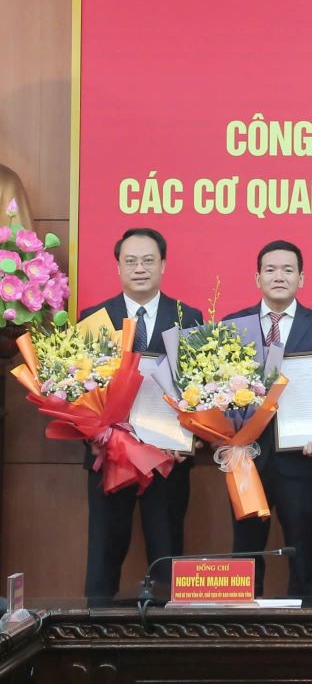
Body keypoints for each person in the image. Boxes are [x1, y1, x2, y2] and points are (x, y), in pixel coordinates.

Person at [78, 227, 203, 597]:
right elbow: (78, 388)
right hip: (110, 456)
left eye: (148, 260)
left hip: (168, 458)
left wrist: (191, 437)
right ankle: (94, 626)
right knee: (104, 552)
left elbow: (201, 387)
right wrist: (92, 436)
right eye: (130, 261)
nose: (139, 268)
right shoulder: (95, 318)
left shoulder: (188, 317)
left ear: (163, 265)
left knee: (166, 554)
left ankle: (166, 630)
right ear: (117, 267)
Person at [225, 240, 312, 597]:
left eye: (288, 270)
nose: (279, 276)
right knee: (246, 551)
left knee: (304, 552)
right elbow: (217, 388)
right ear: (257, 277)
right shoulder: (233, 325)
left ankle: (311, 626)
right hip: (247, 459)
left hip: (301, 458)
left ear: (301, 279)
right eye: (271, 270)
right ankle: (241, 622)